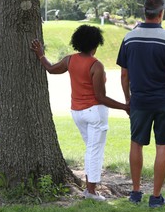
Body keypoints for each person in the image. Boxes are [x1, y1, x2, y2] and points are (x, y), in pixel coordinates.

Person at [31, 24, 129, 201]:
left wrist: (40, 54)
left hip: (77, 112)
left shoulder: (70, 60)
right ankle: (91, 191)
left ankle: (90, 187)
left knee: (91, 149)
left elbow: (51, 69)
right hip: (95, 113)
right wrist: (125, 107)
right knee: (94, 151)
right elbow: (100, 97)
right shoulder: (96, 65)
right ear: (95, 44)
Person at [116, 0, 165, 208]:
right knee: (162, 145)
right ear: (161, 13)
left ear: (144, 13)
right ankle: (156, 197)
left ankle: (135, 193)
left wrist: (128, 99)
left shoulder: (129, 38)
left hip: (140, 101)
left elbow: (124, 75)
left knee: (136, 143)